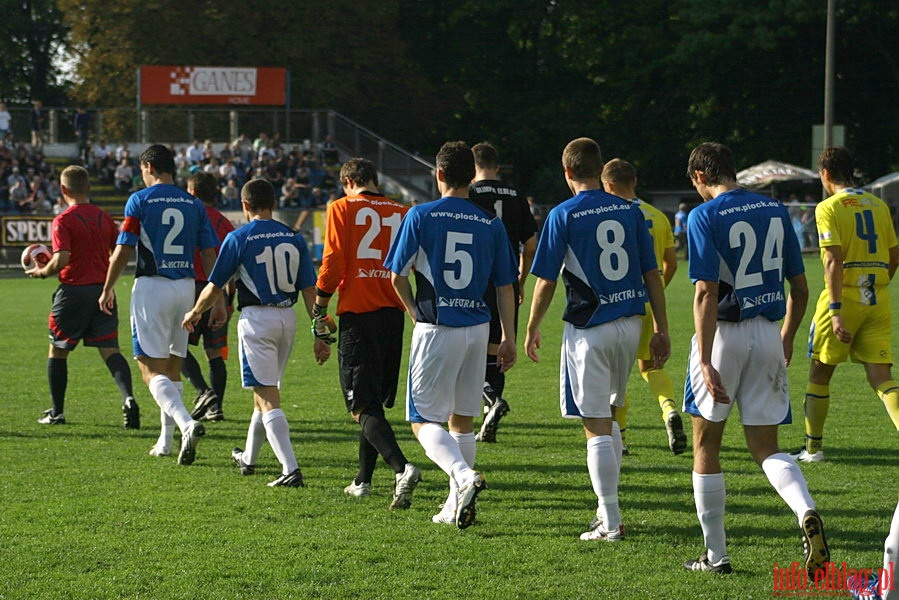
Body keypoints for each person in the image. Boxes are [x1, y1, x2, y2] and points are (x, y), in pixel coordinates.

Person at [682, 142, 828, 576]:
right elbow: (800, 289)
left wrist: (705, 359)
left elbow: (706, 291)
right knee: (767, 447)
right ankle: (805, 509)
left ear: (700, 177)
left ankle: (715, 556)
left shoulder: (703, 215)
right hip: (767, 332)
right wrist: (785, 336)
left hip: (724, 334)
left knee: (707, 443)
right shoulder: (774, 210)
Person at [525, 138, 670, 542]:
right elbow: (652, 274)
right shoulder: (630, 211)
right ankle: (605, 512)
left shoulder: (562, 213)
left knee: (595, 425)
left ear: (567, 171)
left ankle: (610, 520)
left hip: (591, 326)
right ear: (599, 167)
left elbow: (546, 280)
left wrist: (533, 326)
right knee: (610, 412)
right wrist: (661, 327)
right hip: (631, 323)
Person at [384, 141, 518, 529]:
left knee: (422, 420)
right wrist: (507, 336)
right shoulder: (491, 222)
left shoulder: (421, 215)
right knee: (462, 419)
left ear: (439, 174)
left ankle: (462, 477)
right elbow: (506, 285)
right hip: (478, 328)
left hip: (437, 325)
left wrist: (412, 311)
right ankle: (452, 505)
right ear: (472, 178)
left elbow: (397, 274)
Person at [183, 178, 317, 488]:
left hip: (258, 319)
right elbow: (310, 291)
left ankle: (290, 469)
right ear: (275, 203)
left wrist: (194, 312)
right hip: (288, 319)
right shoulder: (294, 237)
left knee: (267, 396)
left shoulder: (238, 237)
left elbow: (214, 286)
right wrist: (318, 328)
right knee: (264, 392)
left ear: (245, 206)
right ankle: (249, 458)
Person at [99, 144, 224, 466]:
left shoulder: (139, 200)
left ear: (149, 167)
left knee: (149, 369)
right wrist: (218, 297)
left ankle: (186, 424)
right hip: (186, 289)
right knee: (172, 367)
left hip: (152, 287)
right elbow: (210, 254)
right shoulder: (194, 204)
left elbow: (124, 248)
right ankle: (166, 441)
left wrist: (108, 286)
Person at [313, 158, 421, 508]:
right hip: (394, 313)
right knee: (373, 401)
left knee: (361, 405)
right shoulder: (402, 211)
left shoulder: (342, 208)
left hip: (359, 314)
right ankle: (362, 480)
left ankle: (402, 468)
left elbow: (333, 261)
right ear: (374, 179)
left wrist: (320, 305)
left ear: (347, 182)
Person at [794, 147, 899, 463]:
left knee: (820, 371)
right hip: (877, 297)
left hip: (843, 298)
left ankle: (813, 449)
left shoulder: (828, 207)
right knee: (882, 377)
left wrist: (837, 310)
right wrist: (877, 283)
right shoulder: (879, 205)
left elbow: (833, 259)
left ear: (824, 174)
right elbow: (894, 256)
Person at [27, 165, 139, 428]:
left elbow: (61, 258)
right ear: (88, 188)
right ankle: (129, 398)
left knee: (58, 350)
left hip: (73, 292)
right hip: (103, 290)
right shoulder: (103, 218)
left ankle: (57, 412)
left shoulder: (63, 220)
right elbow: (119, 252)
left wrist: (42, 272)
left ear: (63, 190)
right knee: (110, 349)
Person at [601, 158, 687, 455]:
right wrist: (657, 290)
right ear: (634, 181)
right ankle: (668, 409)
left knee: (616, 374)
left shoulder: (607, 215)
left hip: (619, 302)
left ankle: (620, 439)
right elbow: (670, 263)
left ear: (608, 185)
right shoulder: (657, 216)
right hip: (650, 299)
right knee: (651, 366)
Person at [469, 141, 537, 443]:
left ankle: (489, 400)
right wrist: (520, 281)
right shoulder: (516, 195)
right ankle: (488, 416)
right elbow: (531, 244)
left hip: (473, 280)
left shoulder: (468, 193)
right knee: (499, 348)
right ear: (497, 165)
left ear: (473, 167)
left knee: (470, 350)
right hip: (506, 280)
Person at [180, 171, 235, 423]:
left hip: (189, 289)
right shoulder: (224, 223)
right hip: (217, 291)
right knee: (214, 352)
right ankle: (217, 407)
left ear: (191, 192)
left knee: (176, 347)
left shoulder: (188, 217)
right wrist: (227, 299)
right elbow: (231, 266)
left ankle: (204, 392)